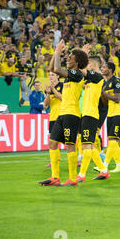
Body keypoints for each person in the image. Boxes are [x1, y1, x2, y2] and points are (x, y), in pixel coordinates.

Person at [39, 40, 88, 186]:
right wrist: (57, 52)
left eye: (71, 57)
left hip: (72, 114)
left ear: (77, 62)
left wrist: (58, 52)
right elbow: (52, 68)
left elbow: (56, 68)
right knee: (52, 142)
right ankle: (55, 177)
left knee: (70, 145)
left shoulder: (77, 74)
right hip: (62, 114)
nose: (68, 58)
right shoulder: (70, 75)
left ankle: (73, 179)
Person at [76, 51, 110, 182]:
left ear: (92, 64)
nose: (86, 65)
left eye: (87, 63)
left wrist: (82, 54)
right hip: (87, 114)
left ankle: (82, 175)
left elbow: (81, 70)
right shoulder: (91, 79)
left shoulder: (98, 76)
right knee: (89, 146)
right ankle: (103, 170)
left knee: (86, 145)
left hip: (90, 115)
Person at [101, 61, 120, 173]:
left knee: (113, 139)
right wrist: (103, 94)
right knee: (113, 140)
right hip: (111, 114)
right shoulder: (106, 83)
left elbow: (117, 99)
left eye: (104, 67)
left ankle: (104, 166)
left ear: (110, 70)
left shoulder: (117, 81)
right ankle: (119, 165)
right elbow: (105, 102)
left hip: (119, 113)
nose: (102, 69)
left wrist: (105, 94)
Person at [43, 70, 63, 167]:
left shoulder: (63, 85)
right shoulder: (48, 89)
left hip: (63, 117)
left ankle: (76, 160)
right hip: (53, 118)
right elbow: (45, 105)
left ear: (58, 76)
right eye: (49, 75)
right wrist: (47, 93)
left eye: (53, 75)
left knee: (68, 142)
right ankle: (54, 160)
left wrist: (53, 90)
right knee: (52, 141)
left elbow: (63, 98)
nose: (51, 77)